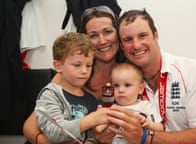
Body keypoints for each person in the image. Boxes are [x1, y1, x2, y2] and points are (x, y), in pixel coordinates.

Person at [95, 9, 196, 144]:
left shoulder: (194, 72)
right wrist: (102, 135)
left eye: (142, 35)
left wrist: (146, 137)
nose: (136, 45)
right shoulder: (122, 80)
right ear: (122, 46)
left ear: (155, 34)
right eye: (128, 40)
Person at [23, 5, 125, 144]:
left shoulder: (129, 74)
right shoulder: (69, 74)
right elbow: (30, 126)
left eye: (108, 32)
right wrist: (44, 141)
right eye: (93, 35)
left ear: (118, 33)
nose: (102, 40)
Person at [33, 32, 110, 144]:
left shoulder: (91, 100)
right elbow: (54, 133)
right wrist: (91, 119)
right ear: (58, 66)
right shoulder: (50, 95)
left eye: (88, 65)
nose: (84, 71)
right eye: (77, 65)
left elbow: (93, 135)